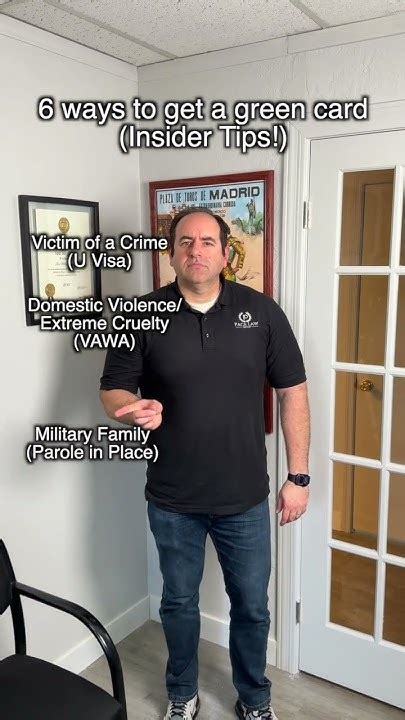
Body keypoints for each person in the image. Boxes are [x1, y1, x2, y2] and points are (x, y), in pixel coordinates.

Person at [99, 207, 310, 720]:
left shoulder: (262, 313)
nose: (196, 251)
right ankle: (182, 693)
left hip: (245, 498)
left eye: (208, 242)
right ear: (171, 253)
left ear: (225, 252)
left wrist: (298, 475)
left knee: (253, 607)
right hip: (173, 498)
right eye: (186, 242)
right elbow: (113, 389)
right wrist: (132, 408)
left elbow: (293, 392)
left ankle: (255, 699)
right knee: (178, 603)